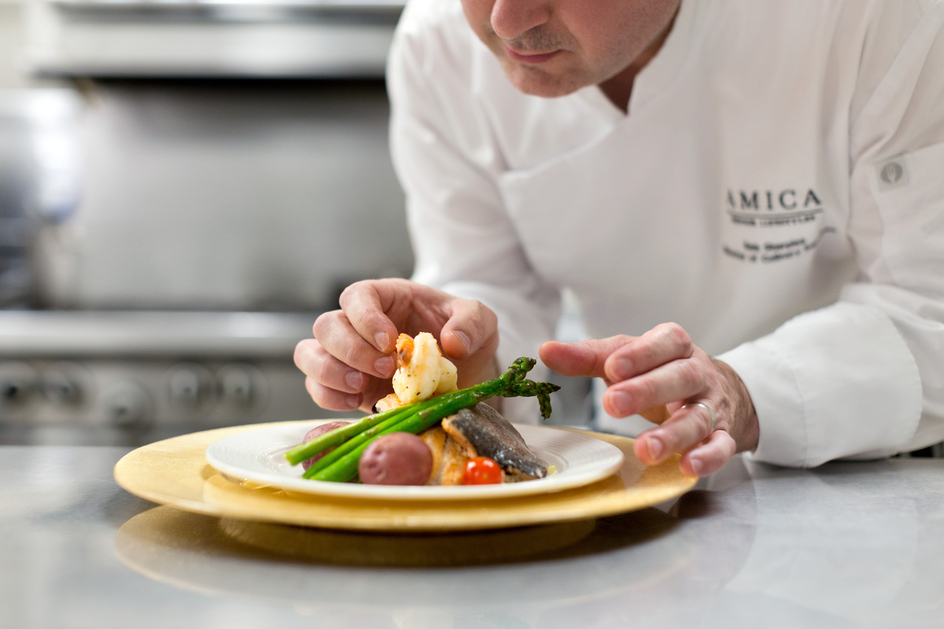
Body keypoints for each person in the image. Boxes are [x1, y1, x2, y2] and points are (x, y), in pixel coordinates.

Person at [295, 0, 944, 477]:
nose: (505, 19)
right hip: (625, 481)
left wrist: (747, 392)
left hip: (862, 482)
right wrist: (470, 363)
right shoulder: (438, 47)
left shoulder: (878, 19)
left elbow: (930, 309)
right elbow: (489, 283)